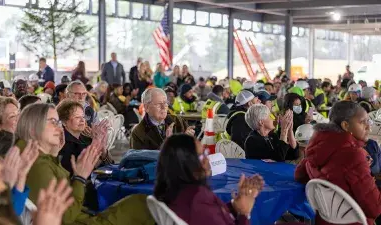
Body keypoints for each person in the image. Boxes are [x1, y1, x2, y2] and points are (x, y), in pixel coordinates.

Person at [16, 103, 155, 225]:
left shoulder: (37, 156)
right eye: (53, 122)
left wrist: (54, 153)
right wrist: (80, 177)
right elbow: (66, 216)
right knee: (147, 205)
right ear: (33, 128)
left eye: (58, 122)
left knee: (142, 201)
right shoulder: (35, 164)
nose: (59, 128)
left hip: (82, 211)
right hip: (80, 218)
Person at [295, 101, 381, 225]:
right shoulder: (354, 155)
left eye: (369, 121)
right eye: (363, 122)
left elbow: (299, 175)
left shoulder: (317, 145)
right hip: (355, 221)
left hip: (324, 221)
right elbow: (375, 209)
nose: (369, 127)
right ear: (346, 125)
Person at [154, 134, 264, 225]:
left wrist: (234, 206)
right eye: (202, 156)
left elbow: (212, 217)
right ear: (186, 164)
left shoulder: (174, 192)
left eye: (206, 153)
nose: (207, 160)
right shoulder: (197, 200)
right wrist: (244, 213)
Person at [130, 88, 195, 150]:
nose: (164, 107)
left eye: (165, 103)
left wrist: (188, 138)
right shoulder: (138, 133)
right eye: (158, 104)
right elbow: (139, 159)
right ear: (146, 107)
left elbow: (189, 151)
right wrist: (167, 142)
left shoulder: (178, 120)